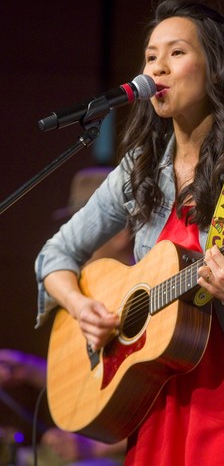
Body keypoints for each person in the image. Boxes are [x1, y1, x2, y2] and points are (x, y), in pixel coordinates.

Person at [35, 0, 224, 465]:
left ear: (216, 68)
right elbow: (55, 256)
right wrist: (84, 308)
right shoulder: (139, 170)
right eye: (149, 56)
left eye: (176, 52)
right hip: (154, 390)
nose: (157, 67)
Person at [1, 168, 131, 465]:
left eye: (85, 223)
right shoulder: (82, 289)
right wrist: (24, 368)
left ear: (122, 230)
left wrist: (95, 449)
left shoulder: (146, 289)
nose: (72, 236)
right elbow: (94, 371)